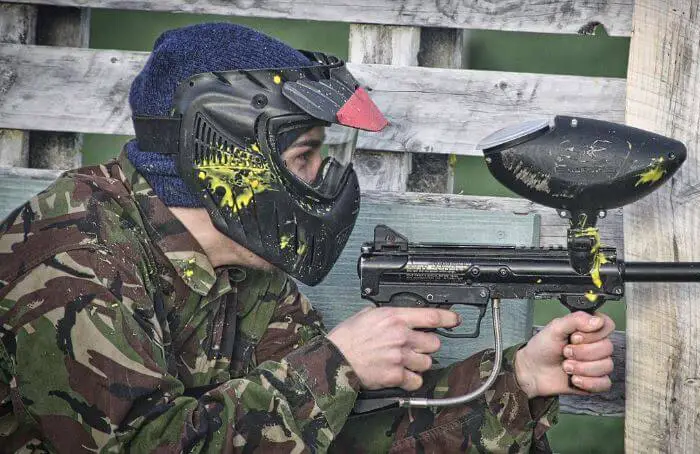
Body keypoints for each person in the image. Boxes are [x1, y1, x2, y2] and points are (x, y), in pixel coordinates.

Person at [0, 23, 615, 453]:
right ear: (226, 155)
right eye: (304, 156)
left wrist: (521, 383)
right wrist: (337, 365)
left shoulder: (244, 261)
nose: (324, 180)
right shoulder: (73, 260)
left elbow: (325, 434)